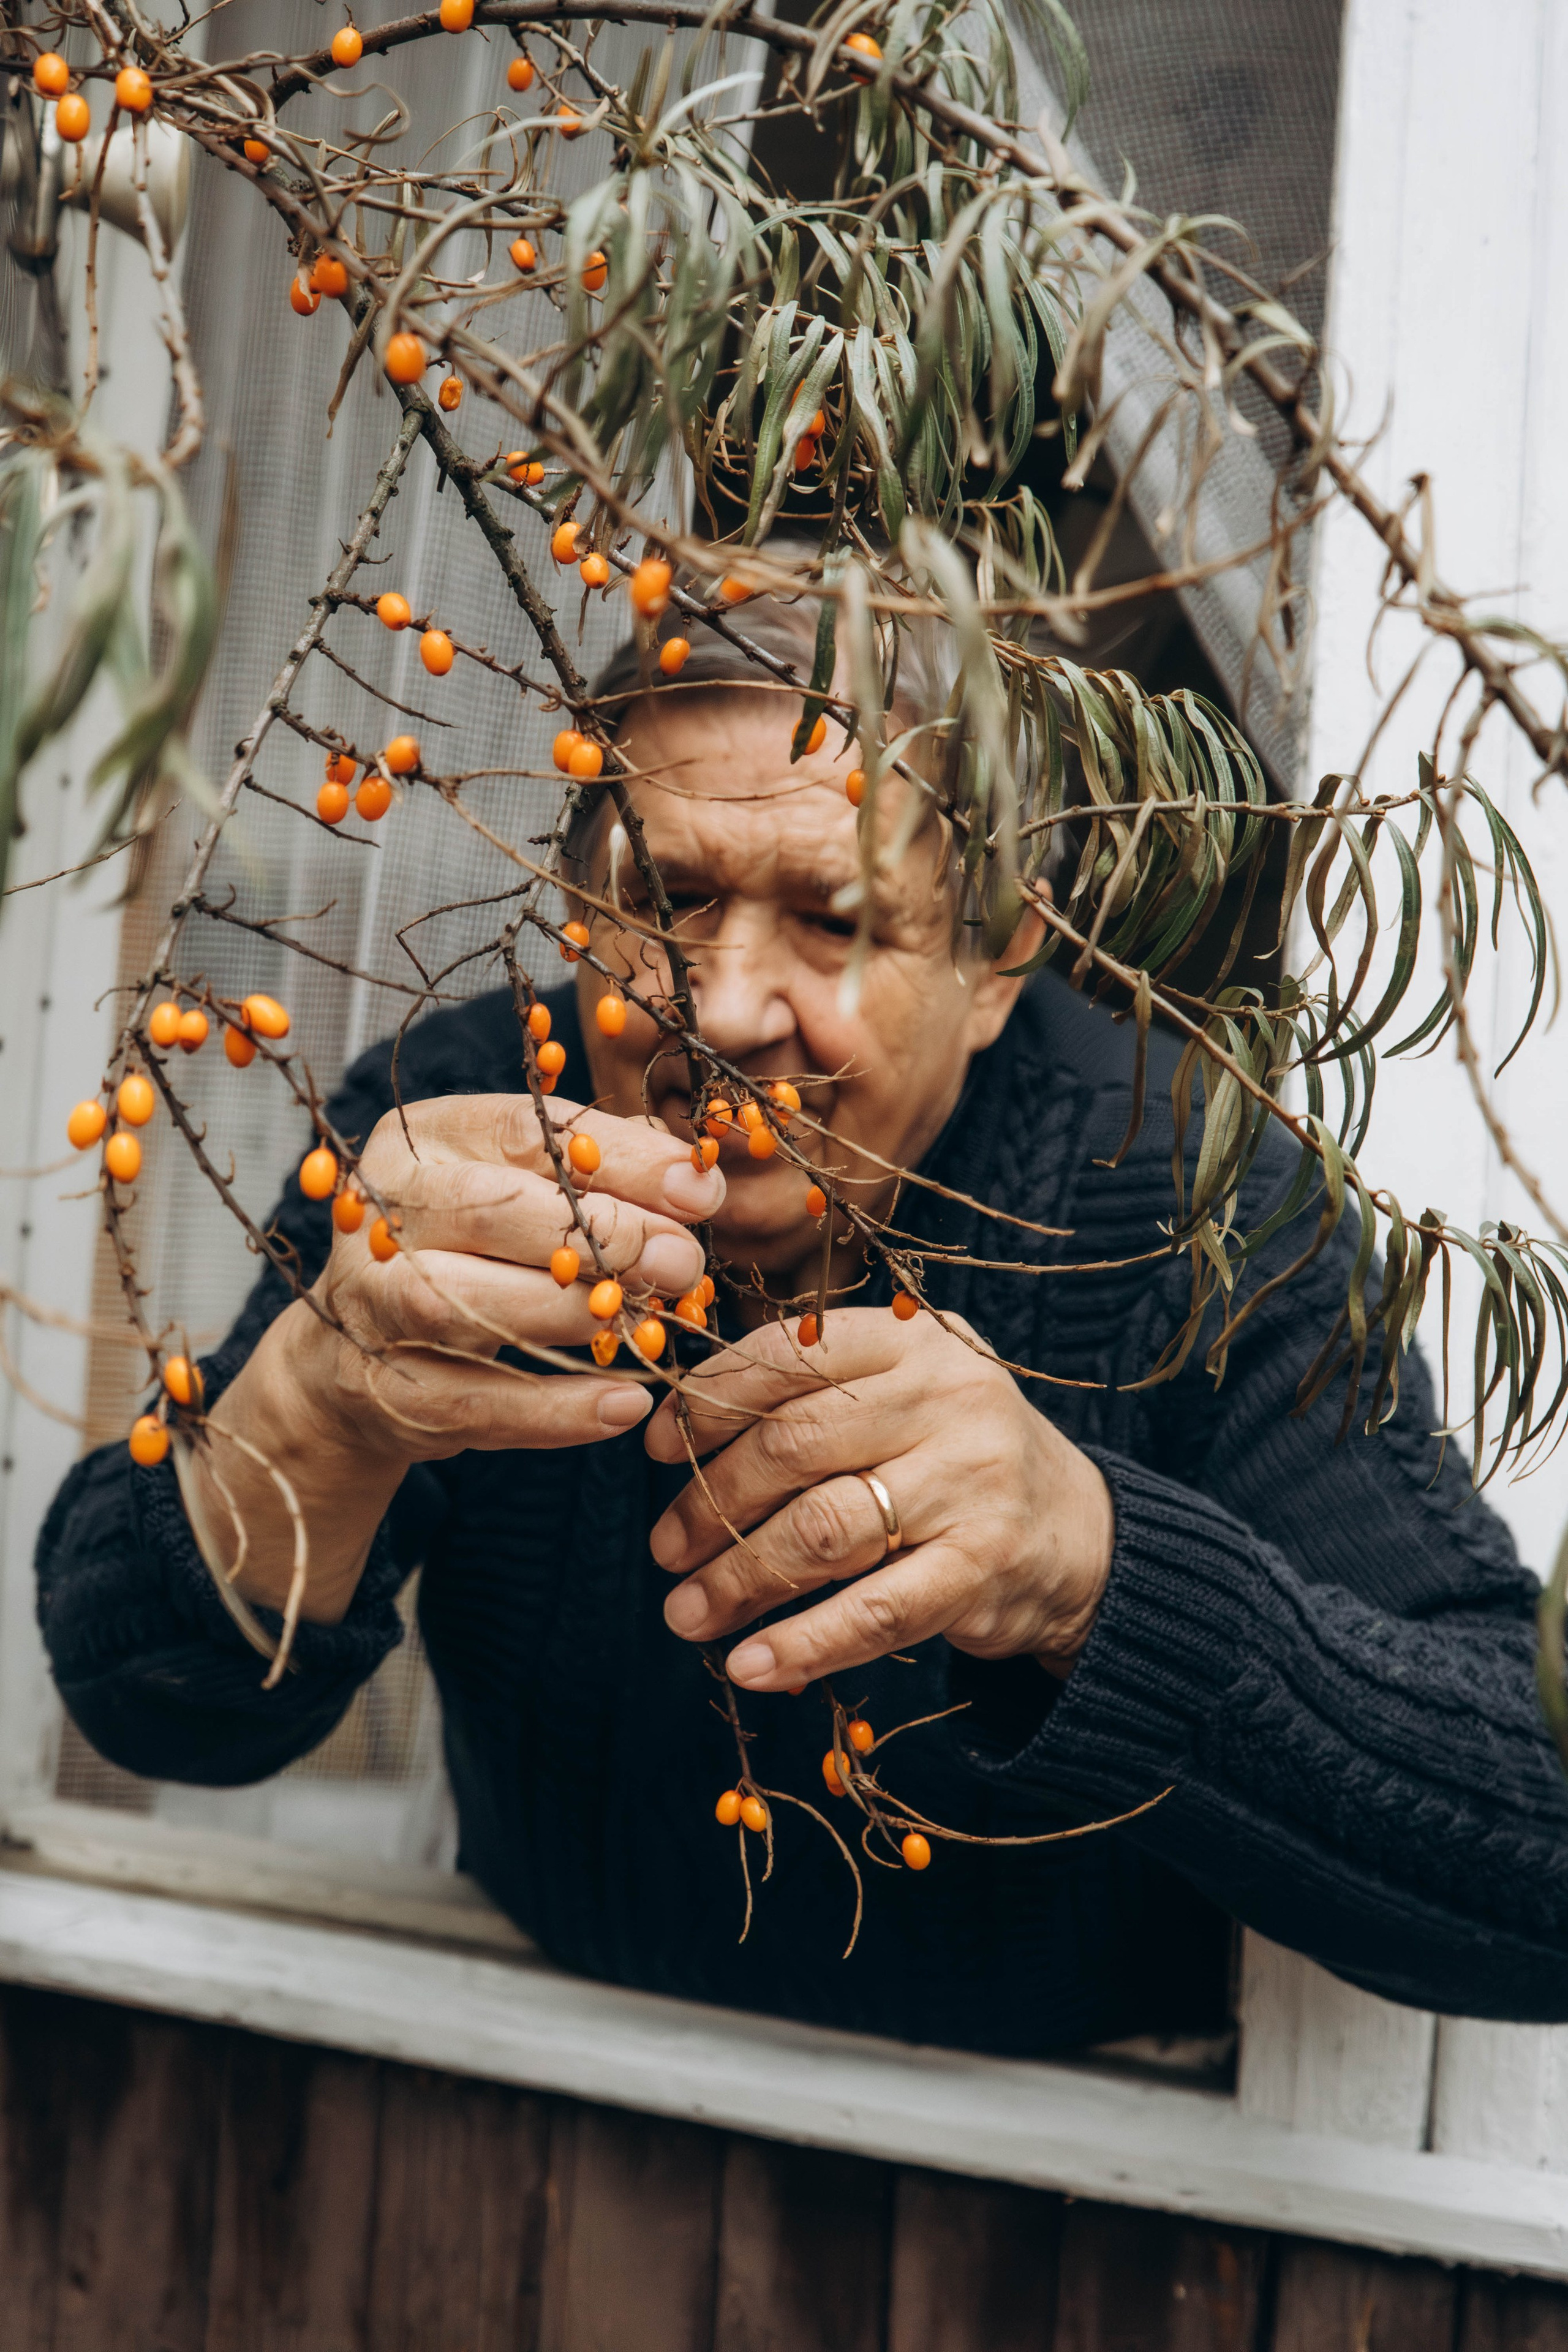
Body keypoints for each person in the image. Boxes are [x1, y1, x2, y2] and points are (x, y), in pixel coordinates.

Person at [36, 598, 1568, 2057]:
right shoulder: (470, 1140)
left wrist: (1089, 1565)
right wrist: (318, 1401)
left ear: (991, 964)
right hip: (523, 2094)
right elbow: (140, 1690)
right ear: (578, 906)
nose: (725, 1003)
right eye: (669, 899)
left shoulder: (1192, 1210)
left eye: (832, 919)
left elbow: (1536, 1851)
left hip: (1071, 2204)